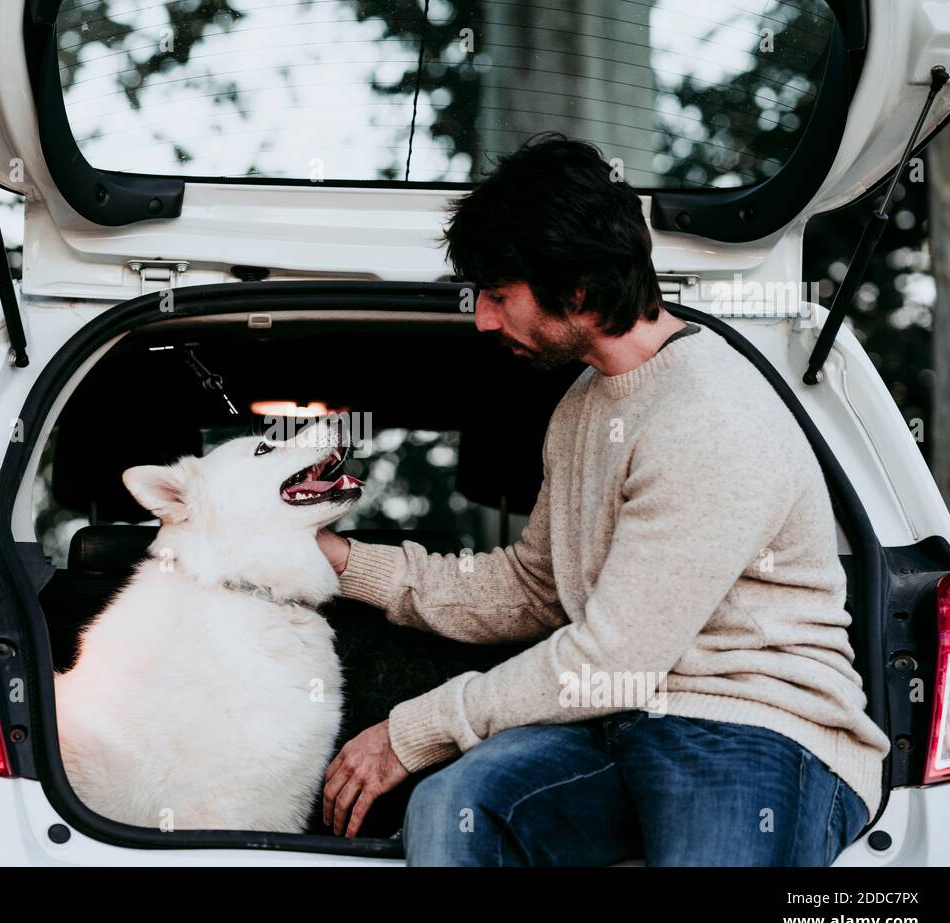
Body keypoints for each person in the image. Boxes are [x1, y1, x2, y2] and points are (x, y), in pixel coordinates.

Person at [315, 132, 889, 866]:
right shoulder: (584, 406)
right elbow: (534, 589)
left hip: (757, 730)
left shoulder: (709, 414)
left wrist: (413, 730)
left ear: (578, 290)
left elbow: (614, 654)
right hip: (621, 722)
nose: (484, 320)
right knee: (462, 806)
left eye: (499, 295)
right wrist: (346, 562)